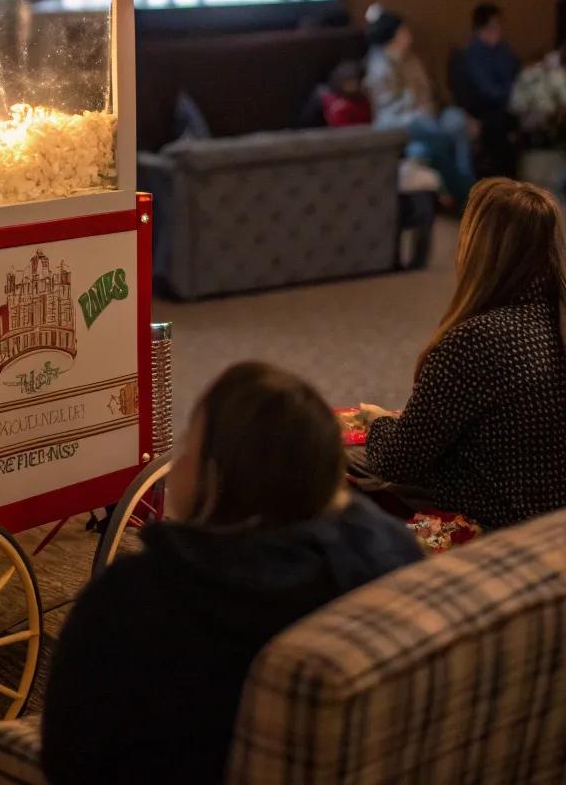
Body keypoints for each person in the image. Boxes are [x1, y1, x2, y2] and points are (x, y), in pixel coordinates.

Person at [42, 362, 420, 785]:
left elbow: (68, 758)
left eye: (189, 443)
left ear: (213, 476)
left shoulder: (136, 600)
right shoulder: (393, 557)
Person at [357, 179, 566, 529]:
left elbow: (398, 462)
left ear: (478, 248)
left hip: (498, 520)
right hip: (551, 514)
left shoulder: (475, 341)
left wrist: (377, 422)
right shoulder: (554, 320)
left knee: (340, 460)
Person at [364, 8, 476, 206]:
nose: (409, 35)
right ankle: (468, 194)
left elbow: (429, 93)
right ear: (393, 35)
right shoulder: (379, 66)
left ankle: (467, 193)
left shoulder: (412, 59)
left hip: (428, 119)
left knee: (455, 120)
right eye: (404, 31)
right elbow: (390, 109)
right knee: (433, 135)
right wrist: (416, 106)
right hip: (399, 124)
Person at [453, 3, 519, 176]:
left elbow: (515, 74)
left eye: (499, 26)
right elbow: (488, 90)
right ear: (480, 29)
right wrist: (512, 94)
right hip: (484, 109)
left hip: (506, 105)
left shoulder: (503, 50)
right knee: (497, 130)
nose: (497, 31)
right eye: (492, 26)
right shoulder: (473, 55)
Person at [320, 59, 372, 127]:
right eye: (349, 83)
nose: (354, 86)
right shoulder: (339, 108)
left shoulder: (367, 102)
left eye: (356, 82)